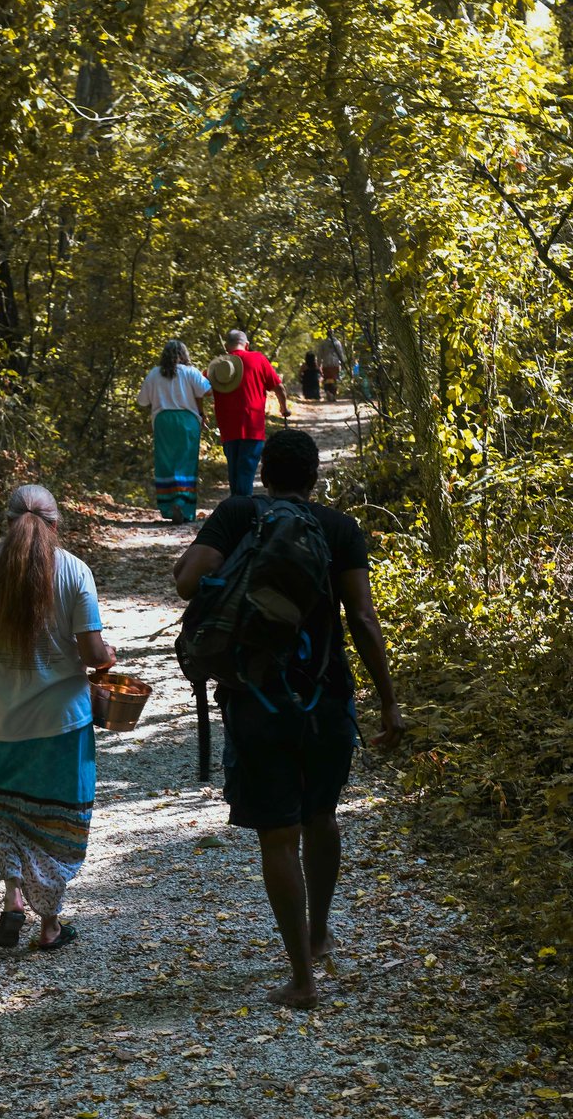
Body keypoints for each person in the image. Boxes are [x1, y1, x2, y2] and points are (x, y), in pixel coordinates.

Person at [173, 429, 403, 1009]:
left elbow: (186, 582)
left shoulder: (238, 513)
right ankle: (320, 934)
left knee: (279, 835)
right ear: (314, 478)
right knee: (322, 817)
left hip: (257, 697)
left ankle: (302, 980)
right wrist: (389, 700)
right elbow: (363, 619)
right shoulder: (340, 528)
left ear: (265, 475)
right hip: (326, 696)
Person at [0, 484, 116, 951]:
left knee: (1, 809)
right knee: (56, 823)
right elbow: (92, 653)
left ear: (6, 523)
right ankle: (50, 925)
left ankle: (12, 897)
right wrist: (108, 657)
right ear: (56, 525)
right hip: (60, 725)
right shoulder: (75, 570)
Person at [207, 330, 290, 496]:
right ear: (246, 345)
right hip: (252, 425)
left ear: (226, 346)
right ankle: (243, 505)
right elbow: (279, 388)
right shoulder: (258, 359)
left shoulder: (218, 367)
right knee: (246, 470)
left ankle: (237, 504)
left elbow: (200, 389)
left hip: (227, 427)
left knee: (234, 471)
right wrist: (284, 407)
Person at [137, 339, 212, 523]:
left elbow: (142, 401)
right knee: (186, 463)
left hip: (163, 421)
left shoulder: (154, 373)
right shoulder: (191, 372)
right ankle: (183, 504)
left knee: (166, 463)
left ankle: (169, 506)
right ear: (184, 354)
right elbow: (207, 391)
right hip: (187, 421)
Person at [316, 330, 345, 402]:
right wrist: (343, 363)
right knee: (334, 379)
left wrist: (319, 364)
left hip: (326, 364)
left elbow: (319, 355)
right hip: (335, 364)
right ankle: (333, 394)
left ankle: (328, 392)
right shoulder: (337, 343)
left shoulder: (323, 343)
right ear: (333, 334)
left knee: (326, 378)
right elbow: (341, 354)